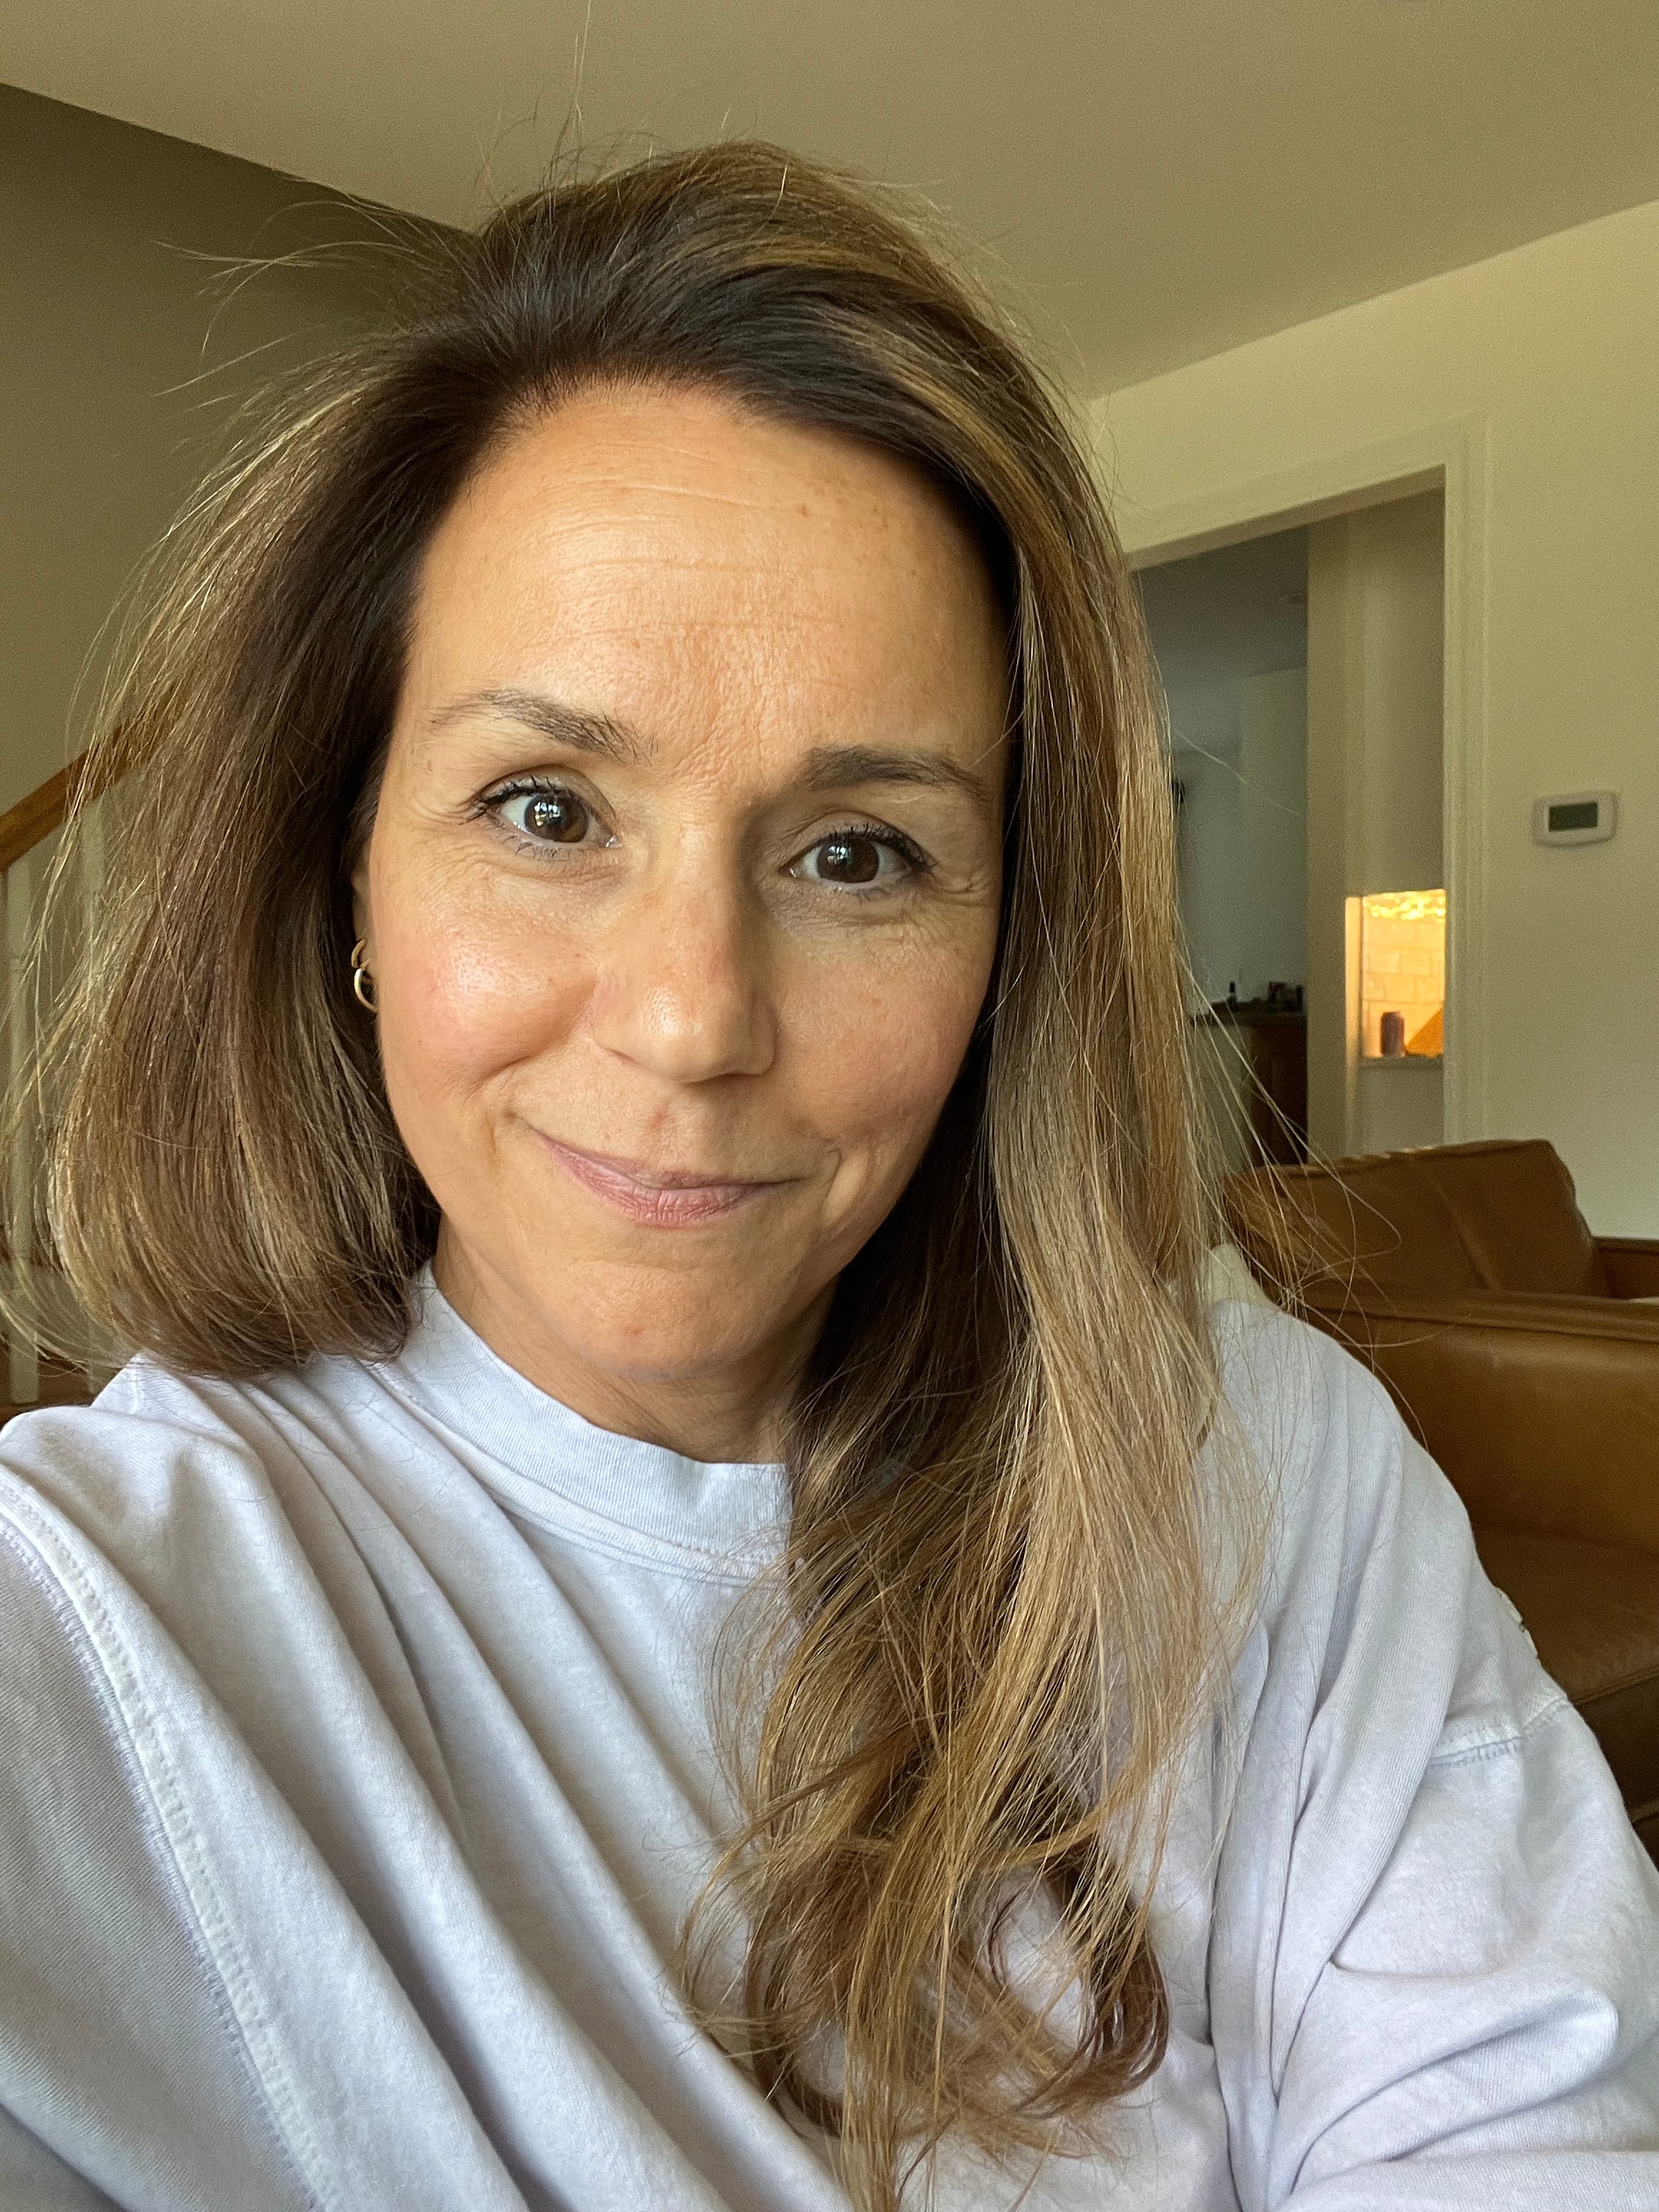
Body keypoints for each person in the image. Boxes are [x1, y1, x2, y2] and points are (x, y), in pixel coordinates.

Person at [0, 142, 1654, 2212]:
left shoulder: (1270, 1475)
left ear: (1008, 947)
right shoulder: (98, 1633)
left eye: (857, 853)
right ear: (345, 883)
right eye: (545, 808)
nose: (693, 1019)